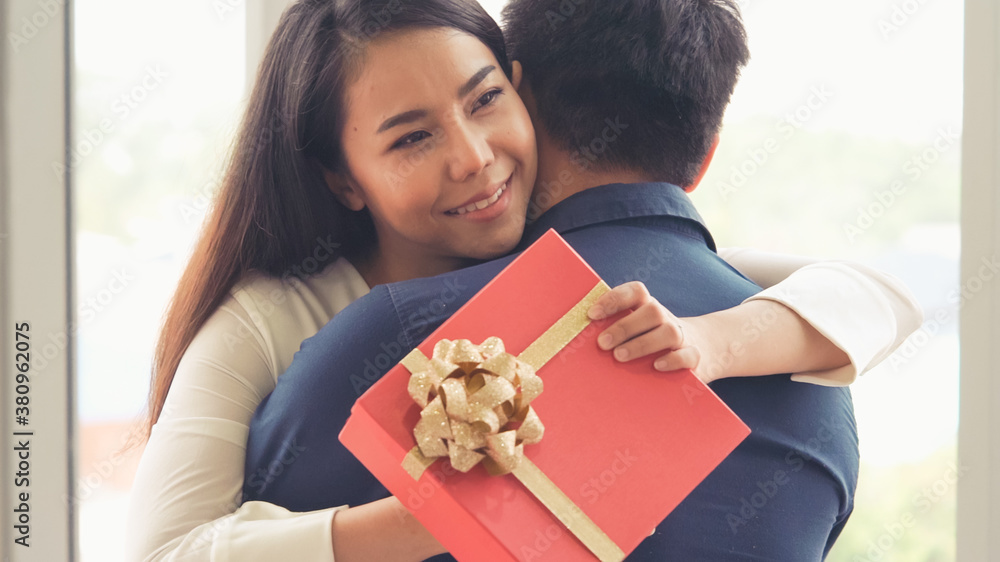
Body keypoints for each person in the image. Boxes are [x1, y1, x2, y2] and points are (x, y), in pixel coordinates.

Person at [125, 0, 921, 560]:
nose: (472, 156)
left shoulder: (594, 286)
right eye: (411, 138)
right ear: (343, 179)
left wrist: (709, 341)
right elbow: (162, 551)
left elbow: (867, 294)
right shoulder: (272, 317)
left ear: (523, 92)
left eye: (485, 99)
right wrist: (468, 504)